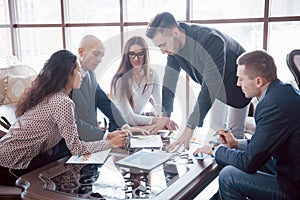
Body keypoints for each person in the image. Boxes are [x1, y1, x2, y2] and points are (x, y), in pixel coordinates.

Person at [0, 50, 128, 186]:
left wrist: (108, 137)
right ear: (66, 75)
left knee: (66, 158)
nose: (82, 75)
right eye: (78, 71)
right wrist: (111, 143)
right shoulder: (62, 102)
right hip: (9, 167)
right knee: (67, 161)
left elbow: (73, 140)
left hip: (12, 159)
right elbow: (76, 148)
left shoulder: (51, 96)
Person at [194, 50, 300, 199]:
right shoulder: (282, 91)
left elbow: (248, 162)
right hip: (290, 167)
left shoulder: (272, 105)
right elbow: (264, 145)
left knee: (228, 176)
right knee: (237, 162)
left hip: (294, 187)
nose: (238, 84)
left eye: (241, 79)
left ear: (258, 81)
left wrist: (214, 150)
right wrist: (237, 144)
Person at [145, 12, 251, 151]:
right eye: (159, 46)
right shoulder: (174, 49)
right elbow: (170, 80)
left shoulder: (210, 40)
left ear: (175, 32)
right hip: (215, 87)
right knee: (216, 131)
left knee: (234, 136)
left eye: (163, 44)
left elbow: (210, 85)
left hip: (238, 86)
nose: (162, 51)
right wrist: (165, 115)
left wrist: (190, 127)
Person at [72, 35, 147, 142]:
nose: (99, 60)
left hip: (92, 140)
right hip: (73, 143)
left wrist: (125, 126)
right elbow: (73, 119)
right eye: (96, 54)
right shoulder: (67, 77)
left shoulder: (91, 75)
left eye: (102, 56)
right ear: (81, 52)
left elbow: (105, 103)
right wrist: (106, 136)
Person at [110, 36, 178, 134]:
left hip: (140, 122)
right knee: (158, 128)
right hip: (121, 126)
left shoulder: (152, 74)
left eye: (140, 54)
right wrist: (160, 120)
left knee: (164, 130)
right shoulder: (120, 80)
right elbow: (129, 118)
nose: (136, 58)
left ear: (145, 55)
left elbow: (159, 103)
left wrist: (163, 119)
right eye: (132, 54)